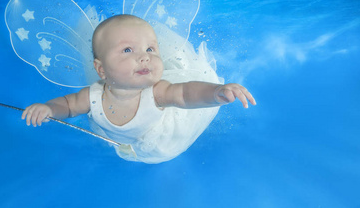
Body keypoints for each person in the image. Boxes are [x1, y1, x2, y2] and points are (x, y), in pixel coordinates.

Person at [21, 14, 256, 163]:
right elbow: (68, 105)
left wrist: (216, 93)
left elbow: (185, 94)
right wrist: (48, 108)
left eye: (151, 50)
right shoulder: (92, 96)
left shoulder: (156, 93)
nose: (144, 57)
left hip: (161, 138)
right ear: (101, 70)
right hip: (119, 138)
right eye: (127, 51)